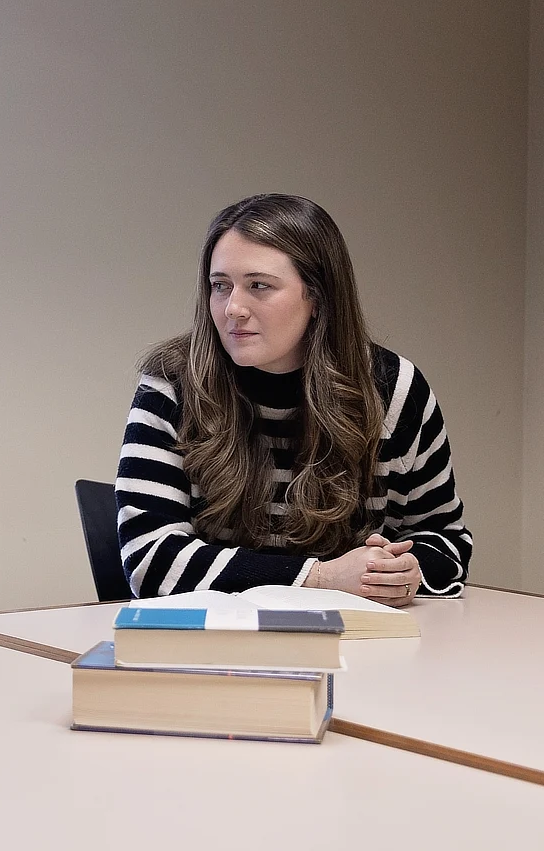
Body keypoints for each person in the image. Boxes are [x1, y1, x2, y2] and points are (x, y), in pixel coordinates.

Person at [116, 193, 473, 602]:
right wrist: (319, 578)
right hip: (217, 649)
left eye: (259, 286)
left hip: (360, 648)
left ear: (317, 297)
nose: (233, 308)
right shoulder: (172, 385)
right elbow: (151, 560)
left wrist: (406, 571)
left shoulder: (394, 388)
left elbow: (446, 539)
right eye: (220, 286)